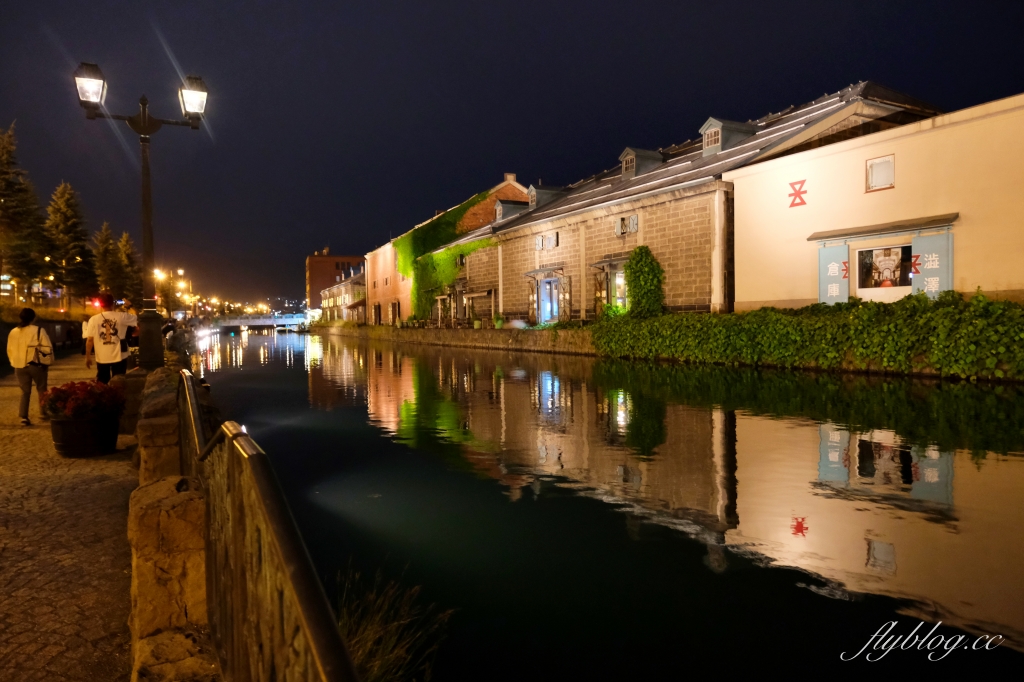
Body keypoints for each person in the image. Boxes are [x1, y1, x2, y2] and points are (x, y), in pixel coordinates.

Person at [6, 308, 53, 426]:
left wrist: (14, 361)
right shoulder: (38, 330)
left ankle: (24, 417)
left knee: (25, 391)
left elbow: (9, 350)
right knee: (42, 388)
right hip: (36, 364)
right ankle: (43, 413)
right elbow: (47, 348)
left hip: (19, 365)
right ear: (33, 317)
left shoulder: (13, 332)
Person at [85, 293, 137, 383]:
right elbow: (136, 316)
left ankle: (106, 396)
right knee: (119, 381)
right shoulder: (121, 316)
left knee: (102, 382)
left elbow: (90, 340)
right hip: (120, 355)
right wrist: (130, 306)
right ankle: (118, 396)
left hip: (102, 356)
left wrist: (88, 357)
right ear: (113, 303)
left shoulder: (93, 319)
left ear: (100, 305)